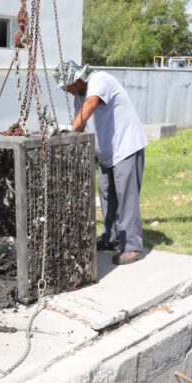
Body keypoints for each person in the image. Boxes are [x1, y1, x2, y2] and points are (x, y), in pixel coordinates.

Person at [54, 60, 148, 265]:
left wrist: (70, 128)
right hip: (106, 154)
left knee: (126, 198)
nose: (66, 90)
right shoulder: (79, 97)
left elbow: (91, 104)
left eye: (66, 86)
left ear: (77, 79)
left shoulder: (99, 80)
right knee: (107, 196)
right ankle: (111, 238)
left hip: (126, 148)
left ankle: (132, 246)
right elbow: (81, 125)